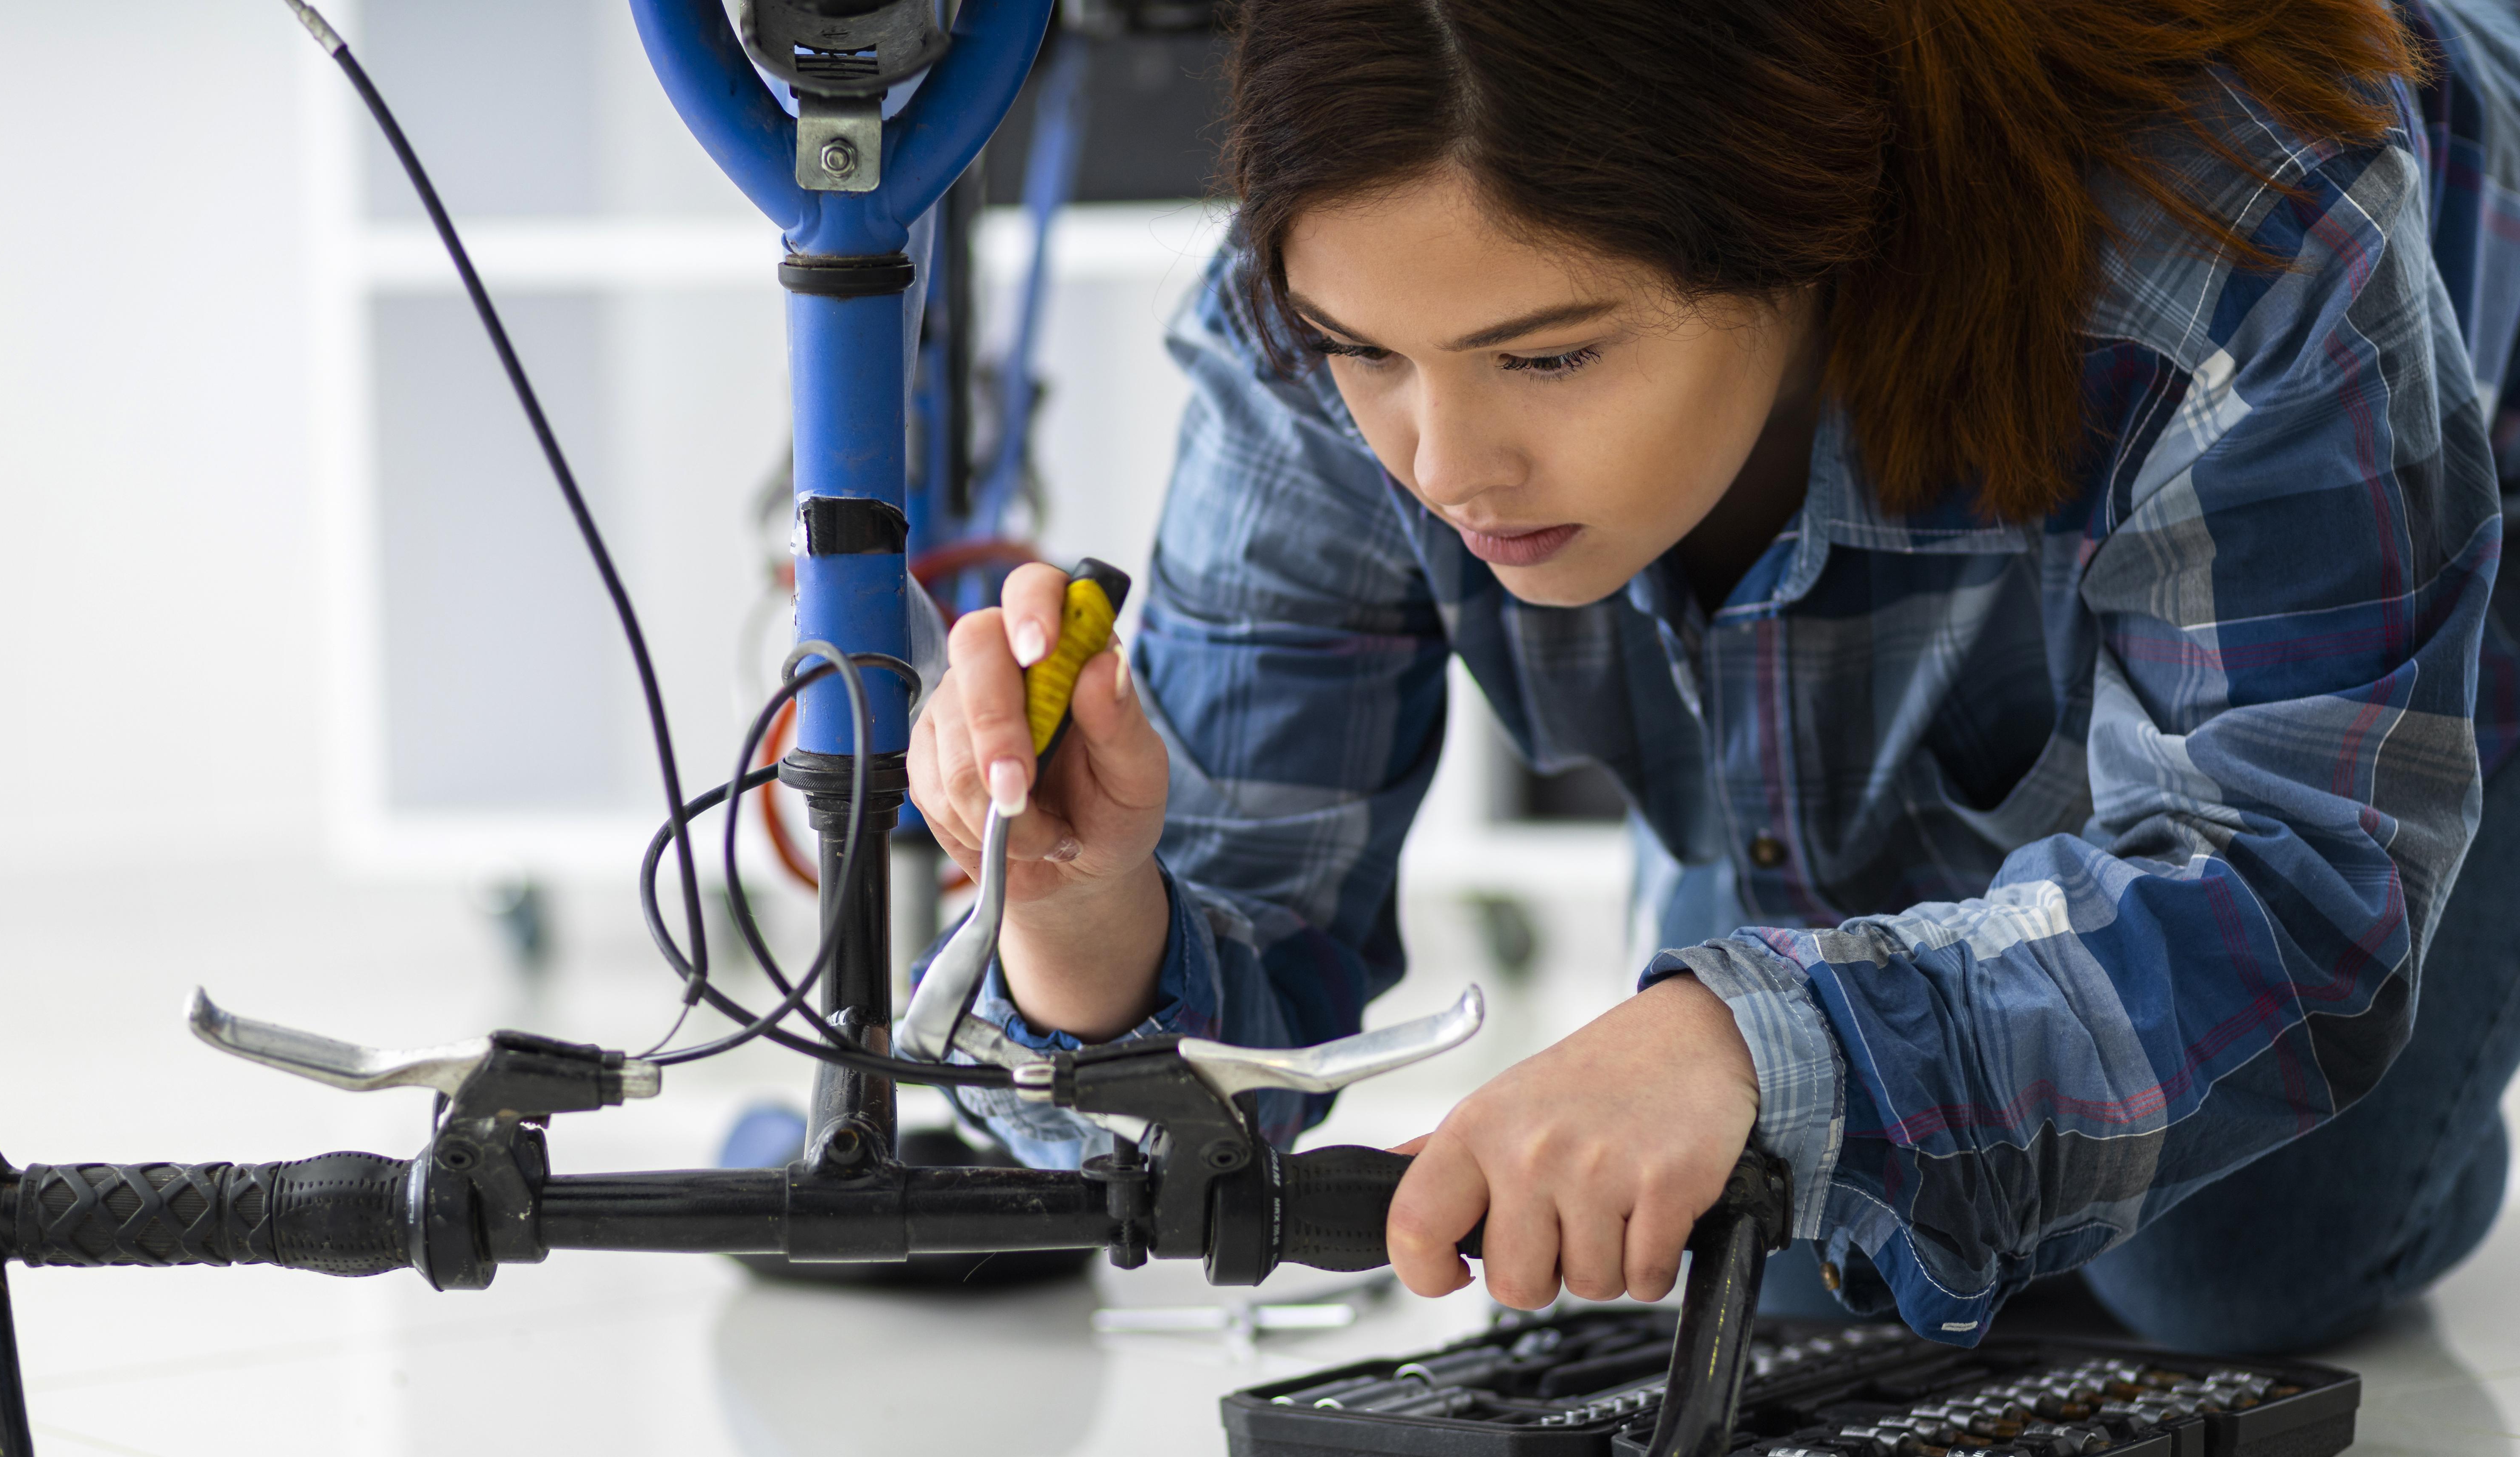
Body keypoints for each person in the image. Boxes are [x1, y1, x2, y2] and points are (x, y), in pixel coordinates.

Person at [909, 0, 2520, 1354]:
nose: (1445, 467)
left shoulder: (2242, 221)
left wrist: (1757, 1049)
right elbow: (1208, 1044)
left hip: (2406, 527)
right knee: (1777, 1243)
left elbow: (2293, 874)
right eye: (1366, 354)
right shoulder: (1324, 322)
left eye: (1550, 356)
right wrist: (1078, 918)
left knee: (2223, 1264)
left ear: (1805, 224)